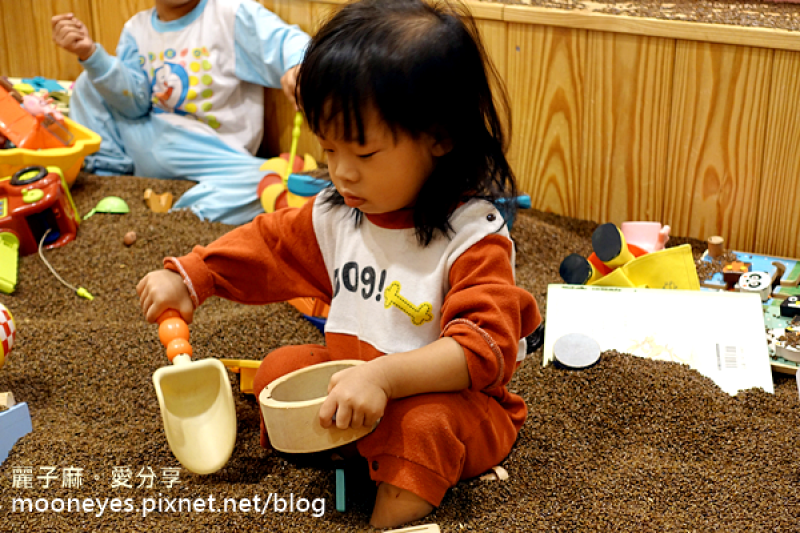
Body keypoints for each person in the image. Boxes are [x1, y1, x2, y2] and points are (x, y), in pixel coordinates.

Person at [136, 0, 541, 528]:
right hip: (355, 392)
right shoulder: (340, 213)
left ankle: (393, 514)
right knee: (279, 371)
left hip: (455, 406)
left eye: (364, 154)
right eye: (328, 150)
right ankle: (348, 455)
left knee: (423, 427)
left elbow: (480, 351)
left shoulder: (471, 236)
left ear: (440, 137)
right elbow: (269, 245)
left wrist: (385, 379)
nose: (342, 173)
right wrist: (193, 277)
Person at [51, 0, 310, 224]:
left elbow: (288, 41)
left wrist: (299, 65)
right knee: (90, 81)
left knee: (281, 183)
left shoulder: (230, 13)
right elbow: (133, 105)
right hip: (149, 138)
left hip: (215, 155)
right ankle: (111, 184)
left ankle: (186, 210)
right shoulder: (136, 29)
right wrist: (90, 54)